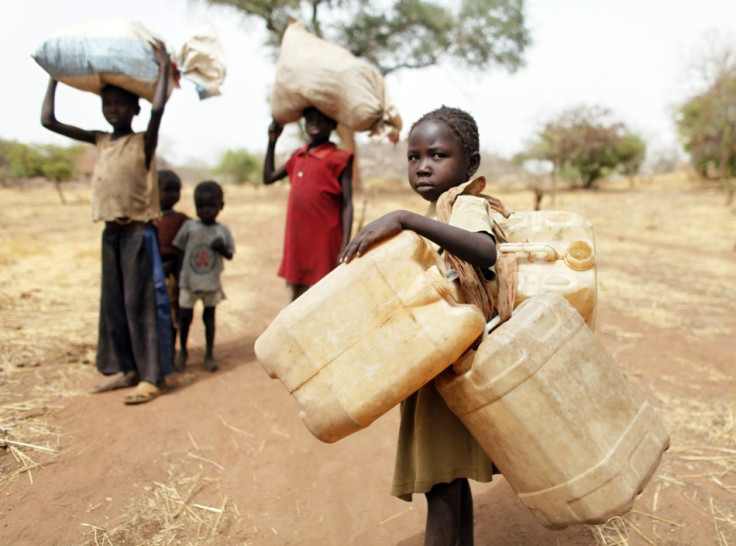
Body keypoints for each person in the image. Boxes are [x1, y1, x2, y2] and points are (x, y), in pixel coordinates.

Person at [340, 106, 510, 546]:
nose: (423, 166)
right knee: (449, 479)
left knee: (439, 483)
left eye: (437, 155)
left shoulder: (464, 203)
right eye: (414, 158)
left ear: (470, 163)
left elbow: (484, 251)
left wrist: (405, 218)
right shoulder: (441, 211)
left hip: (452, 366)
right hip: (438, 364)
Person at [40, 41, 174, 405]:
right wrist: (55, 77)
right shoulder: (100, 140)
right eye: (108, 104)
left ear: (135, 107)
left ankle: (151, 377)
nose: (114, 110)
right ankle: (126, 369)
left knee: (142, 304)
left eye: (121, 104)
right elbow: (48, 121)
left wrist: (162, 66)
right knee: (114, 305)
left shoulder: (143, 141)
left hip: (137, 235)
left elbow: (159, 107)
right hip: (111, 235)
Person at [262, 107, 354, 302]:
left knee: (323, 298)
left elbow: (347, 204)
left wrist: (345, 244)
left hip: (326, 243)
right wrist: (272, 141)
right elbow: (268, 177)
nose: (314, 123)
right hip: (297, 242)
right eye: (310, 119)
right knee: (294, 300)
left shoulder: (340, 158)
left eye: (321, 119)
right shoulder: (298, 156)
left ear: (332, 125)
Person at [173, 181, 235, 372]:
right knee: (185, 319)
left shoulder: (222, 231)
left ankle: (209, 354)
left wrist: (221, 248)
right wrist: (178, 279)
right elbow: (180, 252)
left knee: (209, 319)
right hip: (188, 283)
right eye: (201, 206)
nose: (205, 211)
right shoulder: (189, 227)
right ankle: (183, 352)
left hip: (211, 283)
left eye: (211, 206)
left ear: (221, 206)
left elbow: (230, 254)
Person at [154, 169, 189, 360]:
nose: (173, 195)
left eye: (177, 190)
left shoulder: (182, 220)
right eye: (168, 190)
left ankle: (173, 350)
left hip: (175, 275)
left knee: (174, 316)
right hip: (155, 274)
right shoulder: (149, 220)